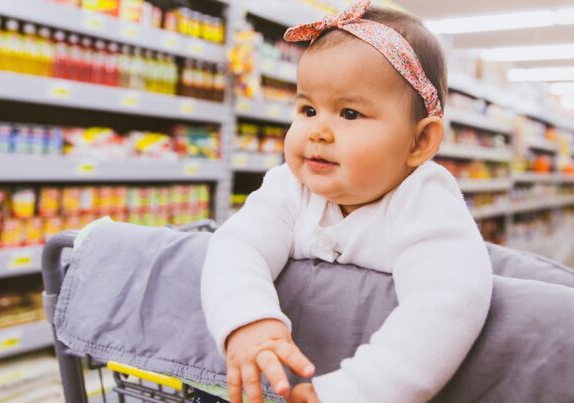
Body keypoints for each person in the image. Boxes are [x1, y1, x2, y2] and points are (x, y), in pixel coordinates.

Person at [201, 1, 493, 402]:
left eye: (350, 113)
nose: (318, 131)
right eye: (307, 108)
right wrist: (248, 320)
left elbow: (446, 305)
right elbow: (238, 245)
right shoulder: (290, 186)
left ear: (420, 141)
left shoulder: (424, 200)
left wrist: (353, 392)